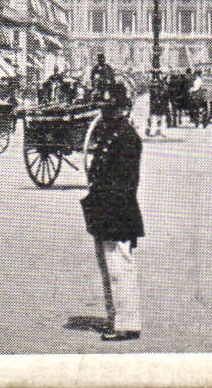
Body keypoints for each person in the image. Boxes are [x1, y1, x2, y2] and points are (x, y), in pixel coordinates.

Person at [82, 82, 144, 342]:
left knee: (119, 268)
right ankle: (115, 317)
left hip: (117, 211)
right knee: (109, 268)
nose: (105, 113)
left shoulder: (126, 136)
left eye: (111, 108)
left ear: (123, 109)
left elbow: (126, 183)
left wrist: (110, 207)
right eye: (105, 108)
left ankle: (127, 323)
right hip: (105, 209)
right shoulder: (111, 132)